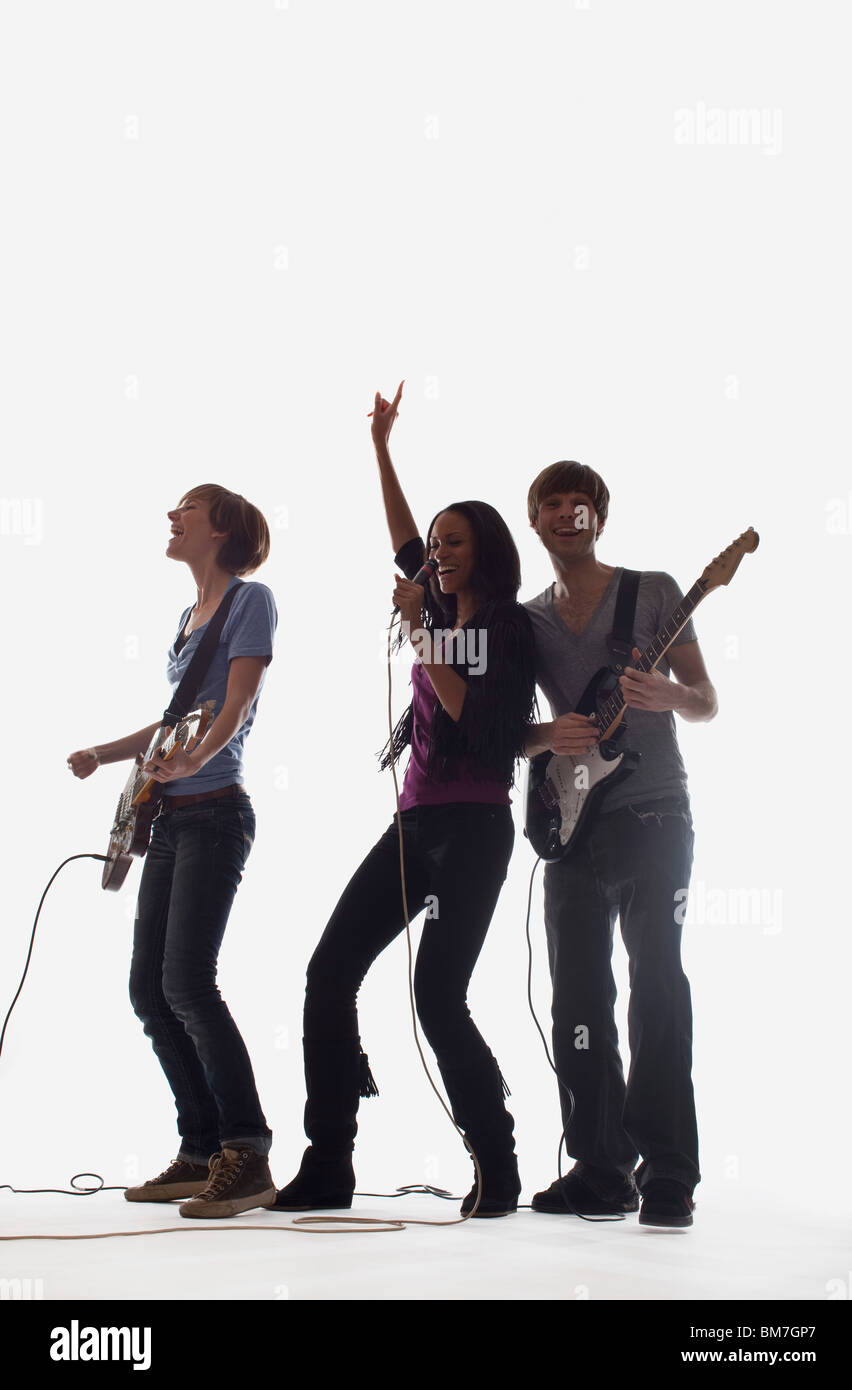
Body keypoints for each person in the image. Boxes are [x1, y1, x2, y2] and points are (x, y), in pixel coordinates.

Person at [272, 381, 536, 1217]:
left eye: (454, 543)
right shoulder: (433, 595)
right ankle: (329, 1163)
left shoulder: (501, 626)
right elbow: (401, 531)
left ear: (485, 551)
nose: (437, 553)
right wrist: (381, 446)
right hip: (413, 822)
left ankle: (497, 1159)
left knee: (437, 996)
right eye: (435, 544)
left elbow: (473, 716)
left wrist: (421, 631)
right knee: (328, 973)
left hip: (475, 827)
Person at [67, 484, 278, 1219]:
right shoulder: (185, 622)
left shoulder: (251, 603)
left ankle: (247, 1151)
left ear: (221, 528)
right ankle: (200, 1150)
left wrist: (199, 759)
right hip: (172, 818)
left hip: (217, 813)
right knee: (148, 991)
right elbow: (173, 720)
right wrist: (104, 752)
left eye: (186, 507)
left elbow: (237, 703)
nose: (172, 516)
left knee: (188, 982)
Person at [522, 461, 717, 1228]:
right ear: (534, 519)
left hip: (653, 812)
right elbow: (502, 726)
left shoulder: (657, 591)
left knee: (657, 981)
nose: (569, 514)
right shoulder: (527, 620)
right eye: (553, 504)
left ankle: (670, 1171)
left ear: (600, 518)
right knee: (576, 996)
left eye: (583, 504)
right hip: (568, 821)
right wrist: (547, 733)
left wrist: (669, 694)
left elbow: (706, 699)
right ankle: (601, 1166)